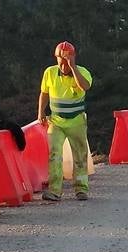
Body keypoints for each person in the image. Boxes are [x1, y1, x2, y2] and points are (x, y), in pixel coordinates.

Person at [38, 41, 93, 201]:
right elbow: (44, 93)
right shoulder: (49, 73)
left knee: (80, 155)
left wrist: (73, 67)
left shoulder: (82, 72)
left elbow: (85, 86)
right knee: (54, 154)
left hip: (76, 122)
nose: (63, 66)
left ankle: (81, 189)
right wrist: (41, 112)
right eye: (60, 62)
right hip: (56, 122)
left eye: (66, 62)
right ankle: (54, 191)